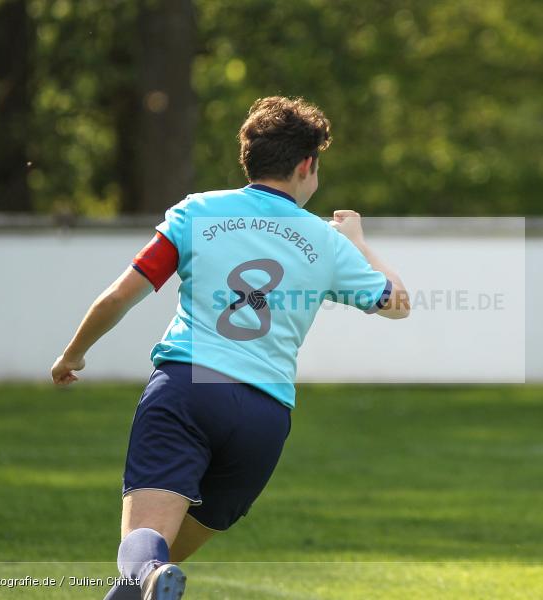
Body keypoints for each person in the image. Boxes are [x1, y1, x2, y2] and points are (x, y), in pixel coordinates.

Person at [51, 96, 410, 600]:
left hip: (187, 388)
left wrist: (73, 353)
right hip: (263, 416)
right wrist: (358, 243)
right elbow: (397, 304)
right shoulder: (325, 242)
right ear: (306, 165)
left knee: (144, 550)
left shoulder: (197, 212)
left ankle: (148, 571)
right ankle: (150, 574)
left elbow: (119, 296)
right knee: (151, 570)